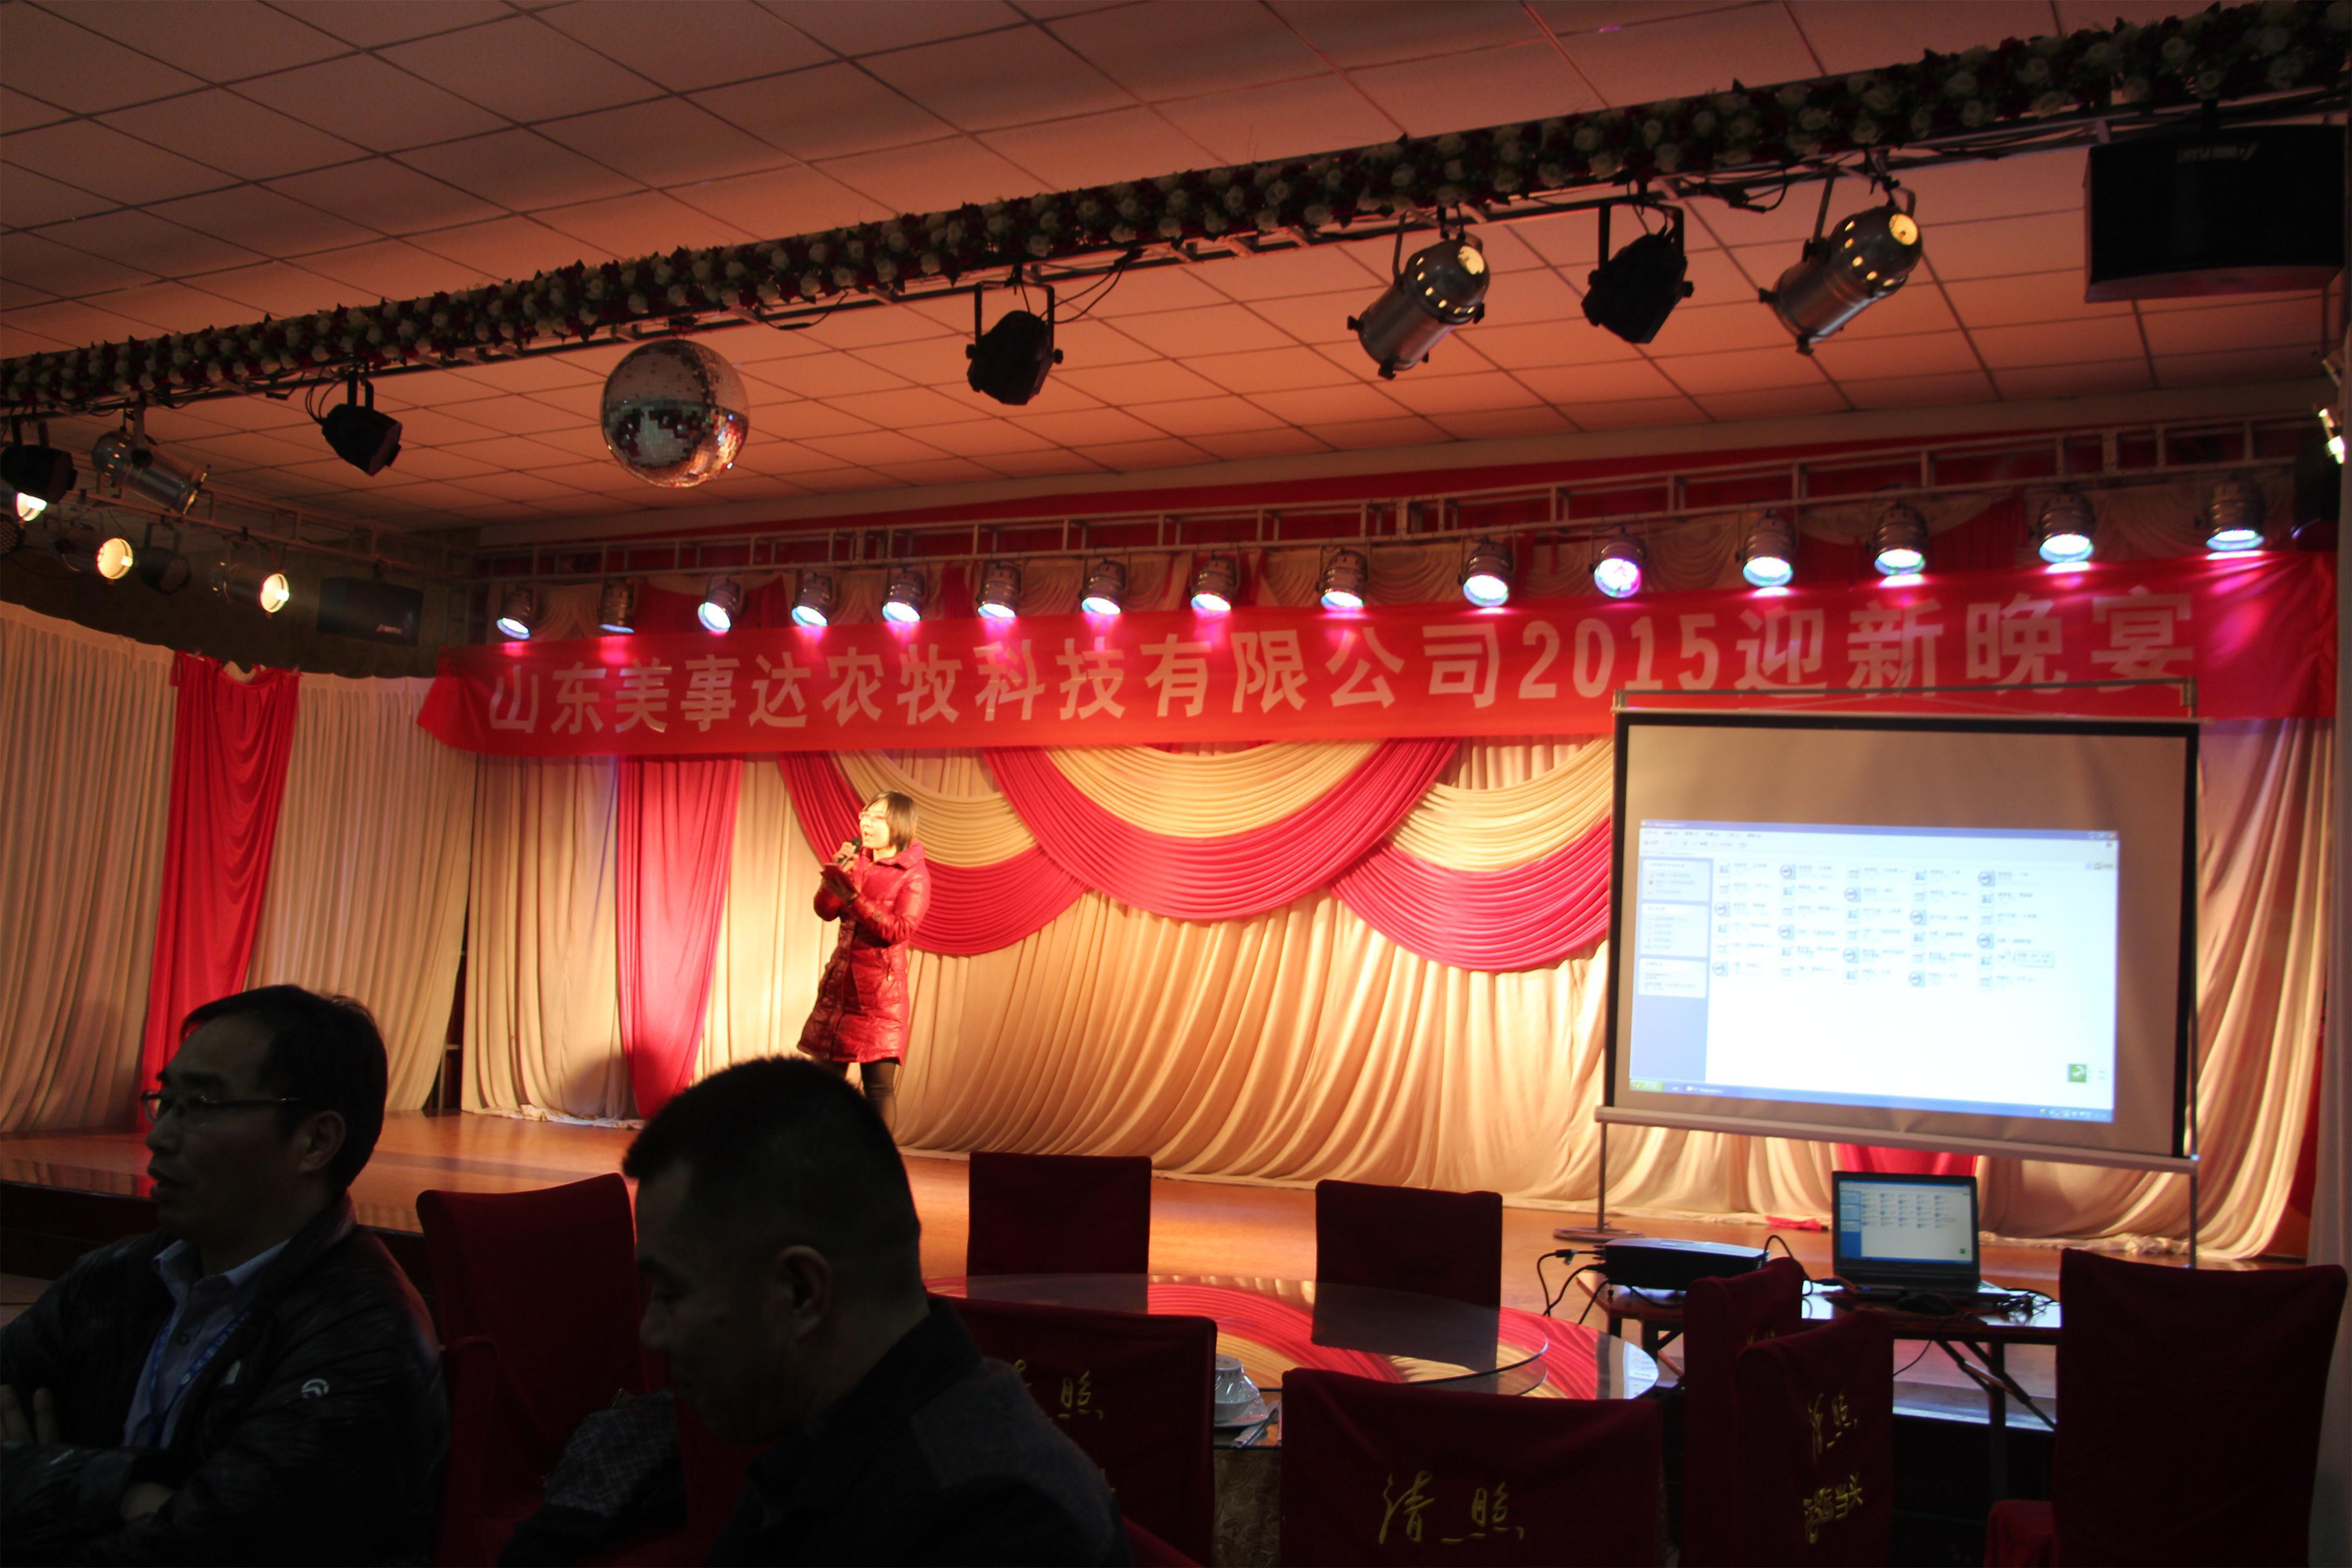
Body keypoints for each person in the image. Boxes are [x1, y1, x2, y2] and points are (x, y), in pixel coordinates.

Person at [0, 986, 447, 1565]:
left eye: (201, 1105)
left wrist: (32, 1481)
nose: (159, 1136)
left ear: (315, 1140)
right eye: (166, 1101)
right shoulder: (116, 1277)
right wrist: (120, 1489)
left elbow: (210, 1549)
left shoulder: (363, 1335)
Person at [625, 1058, 1129, 1567]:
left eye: (671, 1294)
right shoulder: (856, 1448)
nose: (650, 1333)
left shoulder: (1000, 1530)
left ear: (801, 1291)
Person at [798, 790, 931, 1136]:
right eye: (865, 816)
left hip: (879, 997)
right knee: (823, 1087)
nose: (867, 824)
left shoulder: (913, 875)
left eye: (877, 818)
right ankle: (822, 1155)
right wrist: (836, 876)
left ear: (899, 824)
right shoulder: (857, 860)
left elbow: (899, 930)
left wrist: (855, 899)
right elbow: (825, 911)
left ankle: (879, 1160)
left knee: (878, 1089)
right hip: (840, 990)